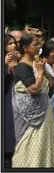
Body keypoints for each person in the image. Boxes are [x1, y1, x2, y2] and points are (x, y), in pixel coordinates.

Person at [12, 33, 54, 167]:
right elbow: (33, 89)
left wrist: (43, 71)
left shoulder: (37, 63)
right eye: (35, 44)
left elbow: (51, 84)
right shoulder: (22, 67)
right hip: (29, 117)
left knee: (45, 145)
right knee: (26, 148)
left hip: (44, 112)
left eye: (39, 44)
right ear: (25, 48)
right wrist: (39, 73)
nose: (39, 47)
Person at [4, 34, 18, 168]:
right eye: (9, 43)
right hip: (6, 97)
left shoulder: (19, 58)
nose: (13, 46)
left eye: (14, 43)